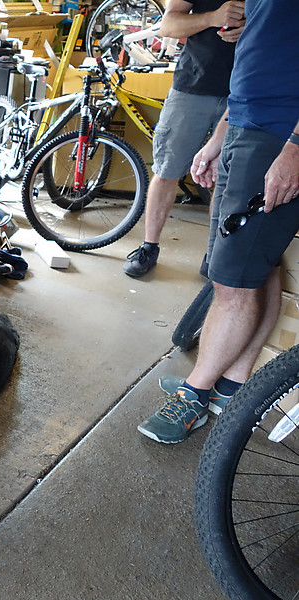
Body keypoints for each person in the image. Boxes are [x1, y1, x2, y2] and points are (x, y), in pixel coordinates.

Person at [138, 0, 299, 443]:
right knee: (254, 269)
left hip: (277, 135)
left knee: (232, 283)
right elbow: (256, 59)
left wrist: (296, 147)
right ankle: (230, 388)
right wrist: (219, 138)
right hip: (246, 125)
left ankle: (195, 396)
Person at [122, 0, 245, 278]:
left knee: (228, 180)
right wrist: (214, 17)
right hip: (192, 86)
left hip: (243, 91)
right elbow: (169, 25)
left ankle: (215, 254)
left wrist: (251, 29)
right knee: (167, 170)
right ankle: (148, 247)